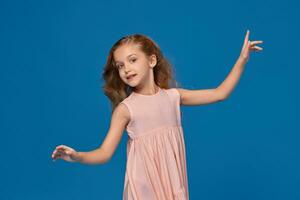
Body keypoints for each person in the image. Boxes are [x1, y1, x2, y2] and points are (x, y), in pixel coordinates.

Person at [51, 30, 263, 200]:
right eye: (120, 65)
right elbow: (104, 153)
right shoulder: (126, 109)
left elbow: (220, 93)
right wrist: (76, 156)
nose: (126, 69)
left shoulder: (173, 97)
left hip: (172, 185)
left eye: (133, 60)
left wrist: (242, 59)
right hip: (144, 188)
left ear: (151, 61)